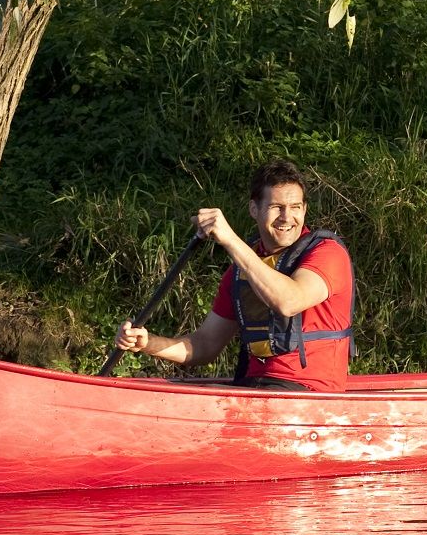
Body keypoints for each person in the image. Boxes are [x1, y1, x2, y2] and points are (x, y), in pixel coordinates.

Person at [113, 159, 355, 391]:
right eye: (276, 207)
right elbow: (205, 345)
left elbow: (289, 301)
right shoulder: (242, 269)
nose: (286, 217)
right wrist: (147, 343)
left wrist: (230, 239)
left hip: (308, 392)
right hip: (254, 387)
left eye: (295, 207)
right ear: (254, 209)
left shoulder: (327, 253)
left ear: (304, 209)